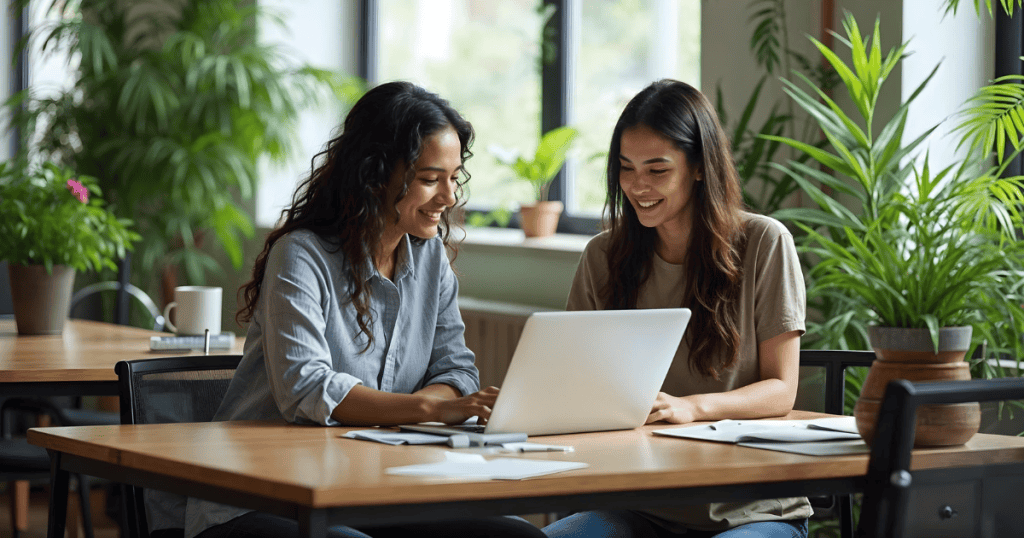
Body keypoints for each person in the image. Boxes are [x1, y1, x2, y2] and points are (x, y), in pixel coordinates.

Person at [181, 81, 546, 538]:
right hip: (263, 501)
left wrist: (440, 404)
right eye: (430, 179)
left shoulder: (430, 259)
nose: (449, 197)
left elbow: (456, 371)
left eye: (455, 178)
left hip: (374, 491)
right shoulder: (301, 255)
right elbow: (306, 389)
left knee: (516, 536)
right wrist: (430, 408)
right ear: (374, 176)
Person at [541, 79, 810, 538]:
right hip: (637, 506)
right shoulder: (602, 257)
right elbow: (575, 385)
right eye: (626, 169)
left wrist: (692, 408)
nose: (637, 186)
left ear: (700, 168)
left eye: (657, 170)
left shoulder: (764, 243)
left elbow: (781, 389)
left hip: (751, 510)